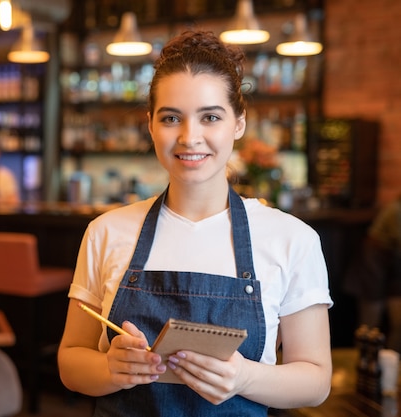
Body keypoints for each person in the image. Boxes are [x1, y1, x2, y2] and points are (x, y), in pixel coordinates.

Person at [57, 30, 333, 416]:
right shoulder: (106, 232)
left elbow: (316, 382)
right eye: (171, 118)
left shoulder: (291, 238)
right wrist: (110, 368)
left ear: (238, 123)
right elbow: (71, 362)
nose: (190, 137)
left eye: (210, 117)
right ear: (150, 124)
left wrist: (243, 378)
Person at [344, 195, 401, 352]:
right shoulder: (395, 210)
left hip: (394, 264)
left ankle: (390, 363)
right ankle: (363, 363)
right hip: (373, 261)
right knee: (370, 320)